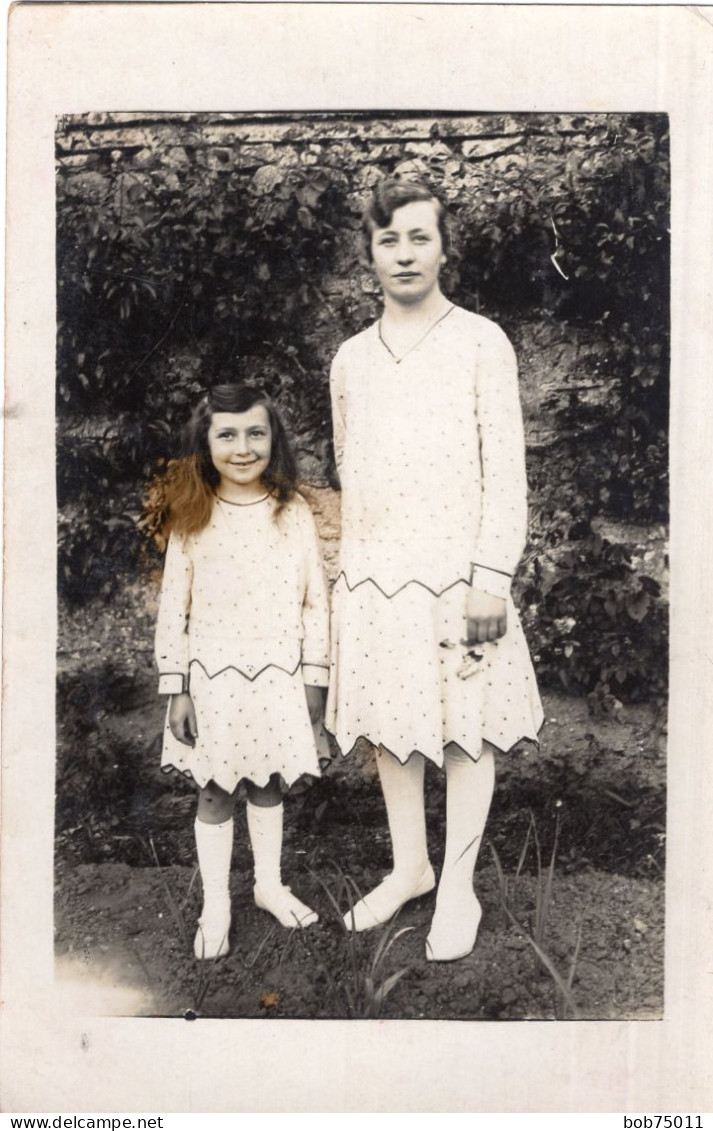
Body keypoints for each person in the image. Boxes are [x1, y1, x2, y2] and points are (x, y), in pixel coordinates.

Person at [326, 176, 544, 962]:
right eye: (390, 240)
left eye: (420, 236)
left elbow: (507, 471)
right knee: (393, 725)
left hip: (460, 577)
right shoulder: (350, 359)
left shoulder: (481, 341)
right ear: (369, 255)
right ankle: (409, 865)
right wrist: (355, 577)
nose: (405, 252)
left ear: (445, 246)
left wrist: (493, 574)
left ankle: (457, 882)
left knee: (463, 729)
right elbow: (353, 470)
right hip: (379, 578)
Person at [149, 384, 329, 959]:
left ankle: (269, 885)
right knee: (216, 790)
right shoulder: (193, 514)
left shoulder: (293, 512)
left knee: (271, 781)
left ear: (273, 440)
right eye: (227, 434)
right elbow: (174, 605)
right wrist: (176, 688)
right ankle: (217, 903)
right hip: (213, 682)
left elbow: (314, 602)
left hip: (278, 675)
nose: (243, 447)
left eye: (256, 433)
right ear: (206, 443)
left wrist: (314, 681)